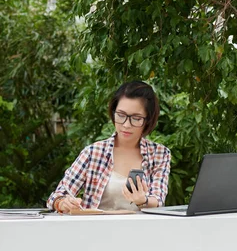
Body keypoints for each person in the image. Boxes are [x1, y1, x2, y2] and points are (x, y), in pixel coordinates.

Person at [47, 81, 171, 213]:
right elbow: (56, 196)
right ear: (113, 113)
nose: (126, 124)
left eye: (136, 118)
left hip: (141, 230)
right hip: (97, 230)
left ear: (148, 119)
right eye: (121, 115)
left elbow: (158, 200)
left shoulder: (159, 154)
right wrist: (62, 203)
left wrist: (143, 201)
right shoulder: (93, 153)